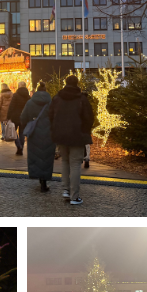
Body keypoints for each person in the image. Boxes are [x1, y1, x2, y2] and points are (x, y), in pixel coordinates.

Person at [49, 74, 94, 205]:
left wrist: (55, 130)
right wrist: (85, 131)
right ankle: (75, 196)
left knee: (65, 162)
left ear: (65, 82)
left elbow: (50, 115)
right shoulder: (82, 99)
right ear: (77, 84)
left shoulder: (57, 98)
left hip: (60, 135)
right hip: (77, 135)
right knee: (75, 164)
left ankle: (65, 190)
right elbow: (89, 118)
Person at [21, 81, 55, 192]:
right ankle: (44, 182)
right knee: (46, 157)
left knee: (36, 156)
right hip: (49, 133)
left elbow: (23, 118)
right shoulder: (51, 103)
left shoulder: (30, 103)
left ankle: (39, 178)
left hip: (34, 133)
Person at [7, 81, 31, 155]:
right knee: (22, 133)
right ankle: (21, 148)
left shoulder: (16, 95)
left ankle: (19, 146)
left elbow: (11, 106)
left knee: (14, 132)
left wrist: (8, 116)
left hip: (15, 116)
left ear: (19, 86)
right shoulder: (28, 96)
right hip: (24, 117)